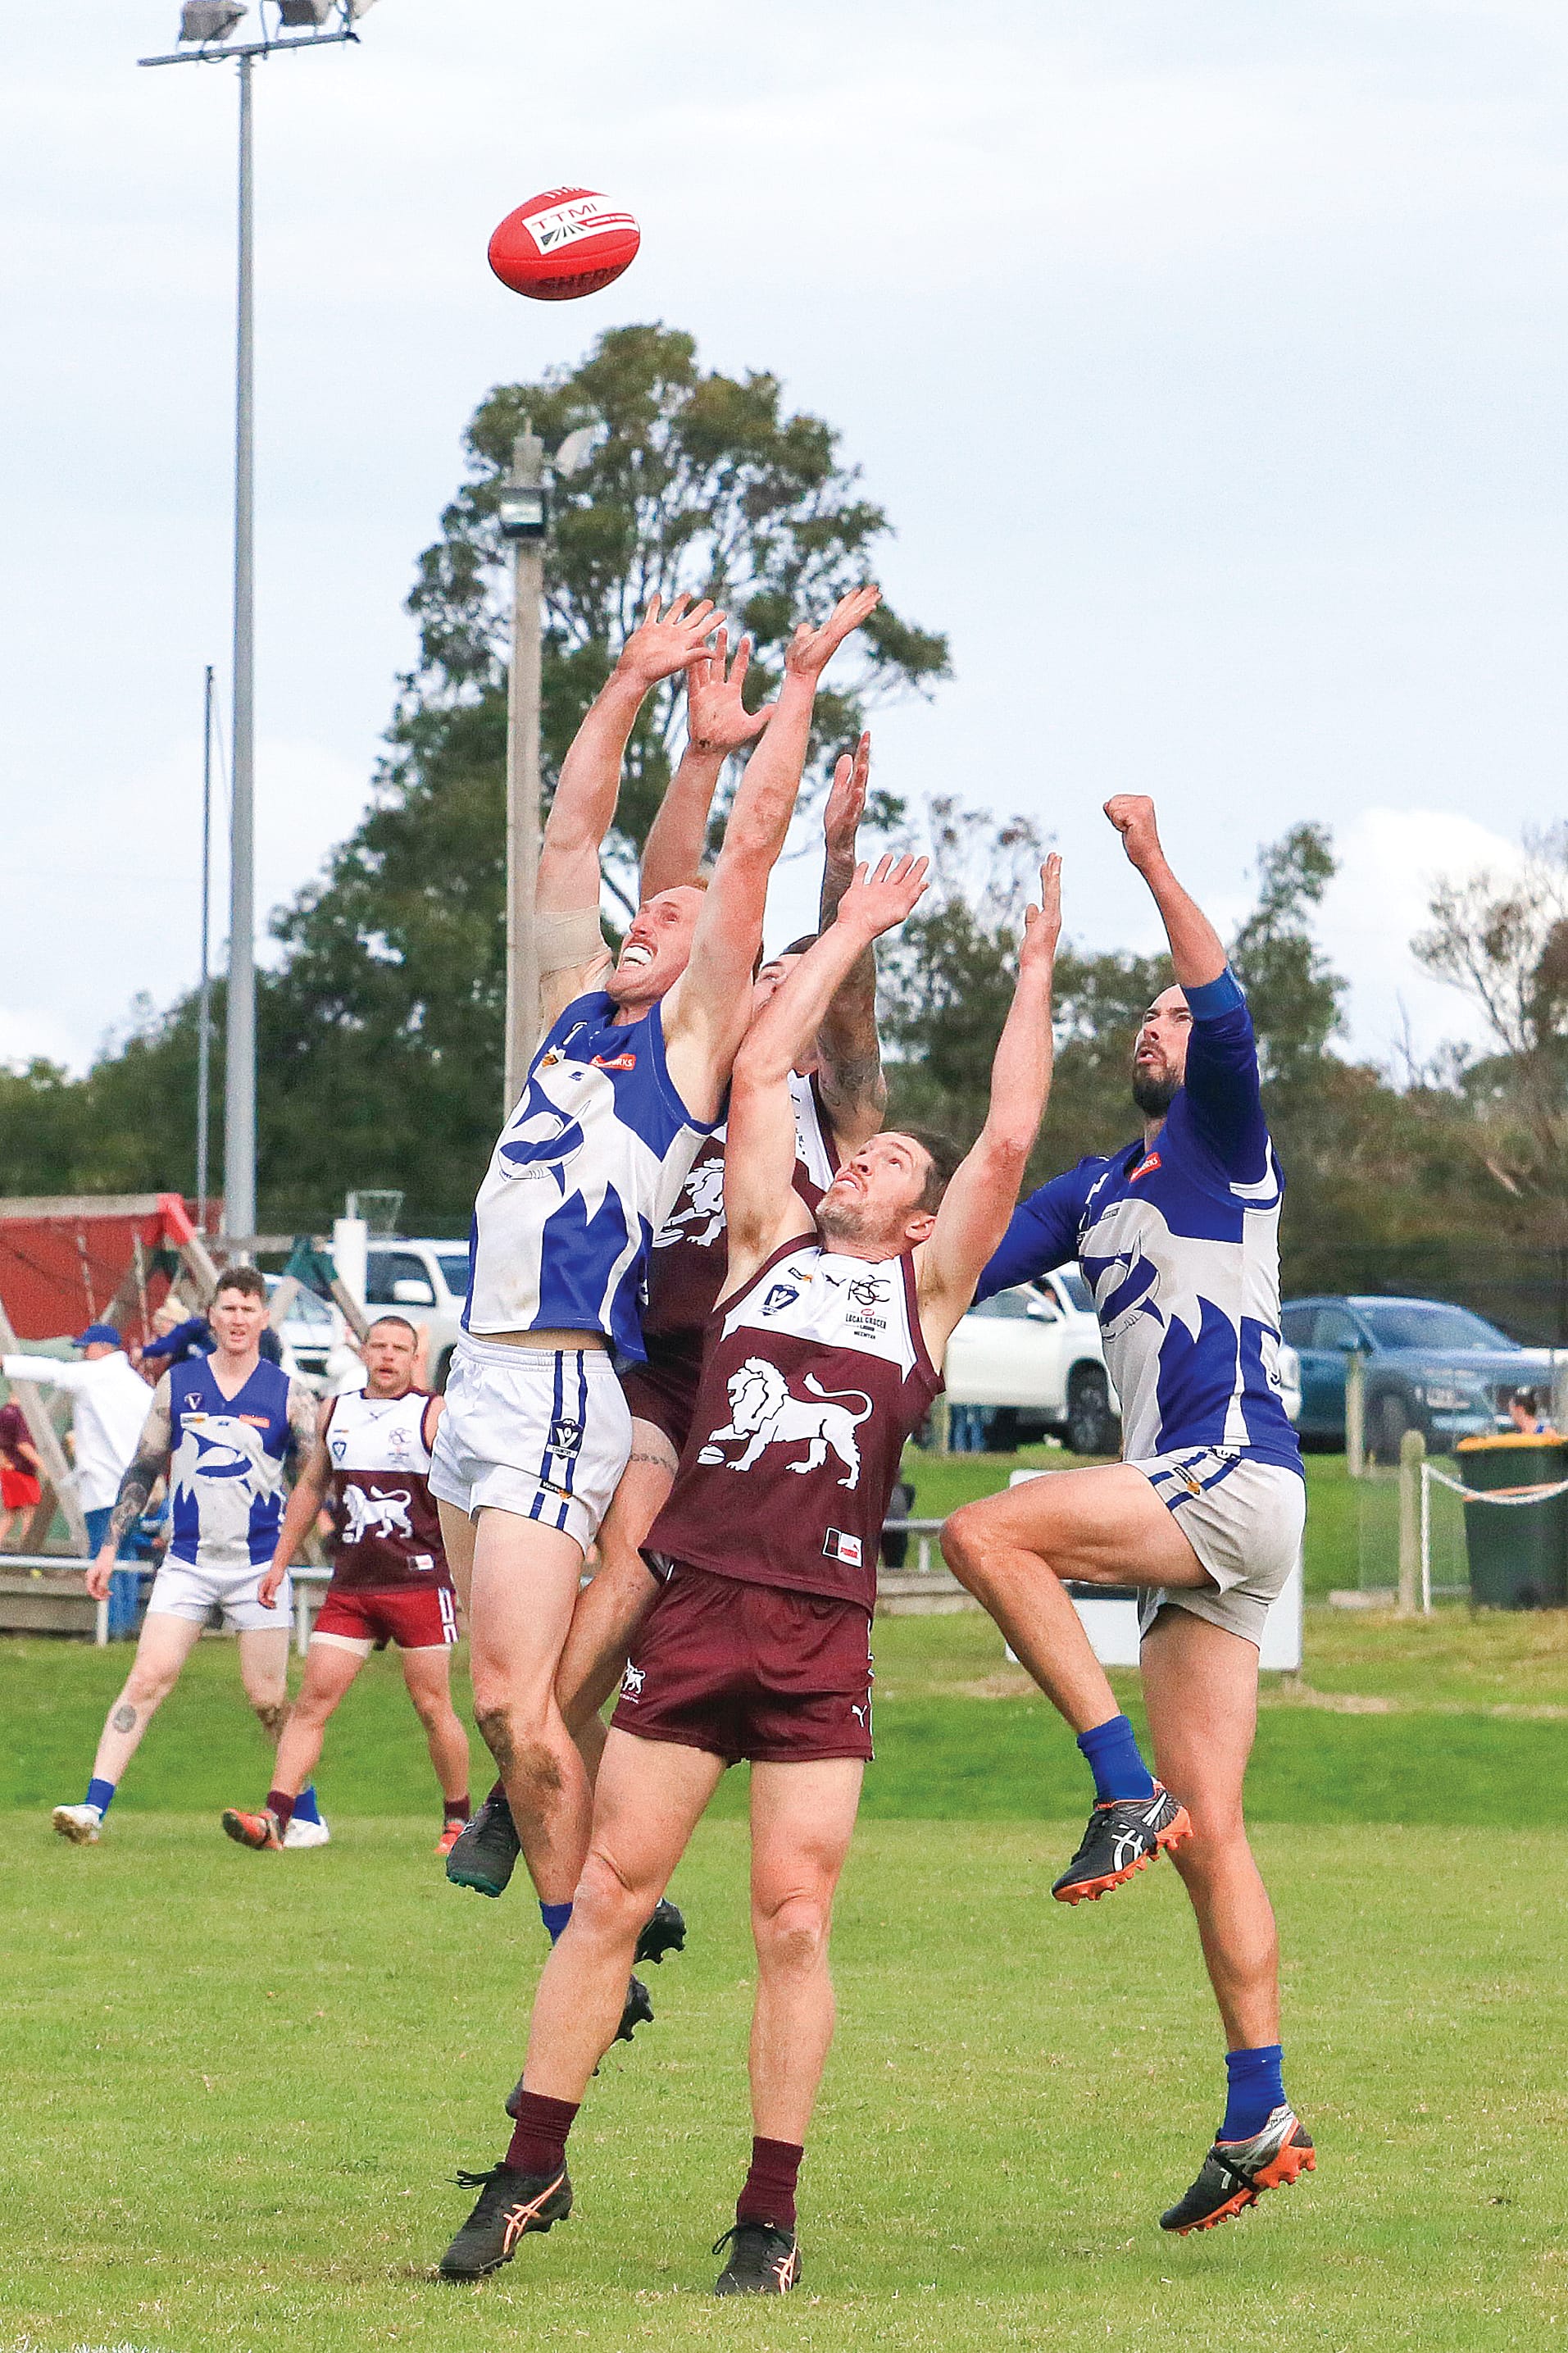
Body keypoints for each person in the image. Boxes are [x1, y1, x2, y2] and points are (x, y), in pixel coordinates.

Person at [435, 849, 1061, 2294]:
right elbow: (768, 1057)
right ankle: (531, 2168)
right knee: (606, 1896)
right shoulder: (764, 1244)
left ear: (920, 1218)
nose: (869, 1158)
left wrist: (1029, 972)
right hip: (703, 1608)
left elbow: (1011, 1140)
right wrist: (848, 925)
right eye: (864, 1149)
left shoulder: (925, 1295)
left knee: (791, 1918)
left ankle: (766, 2219)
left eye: (896, 1162)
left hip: (819, 1632)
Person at [429, 586, 879, 2002]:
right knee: (497, 1703)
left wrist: (792, 699)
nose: (654, 907)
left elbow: (739, 856)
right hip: (471, 1371)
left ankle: (585, 1953)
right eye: (651, 903)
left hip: (574, 1376)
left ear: (724, 977)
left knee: (514, 1695)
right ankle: (585, 1921)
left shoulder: (692, 1056)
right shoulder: (573, 1015)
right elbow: (568, 840)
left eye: (681, 915)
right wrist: (625, 683)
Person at [940, 794, 1314, 2237]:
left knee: (988, 1532)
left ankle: (1113, 1786)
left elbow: (1220, 1006)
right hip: (1211, 1516)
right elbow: (963, 1256)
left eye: (1169, 1010)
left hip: (1228, 1472)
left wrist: (1150, 863)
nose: (1159, 1023)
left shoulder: (1221, 1133)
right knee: (1214, 1833)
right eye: (1143, 1018)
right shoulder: (1098, 1190)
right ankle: (1255, 2108)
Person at [48, 1268, 326, 1847]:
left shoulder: (289, 1393)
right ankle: (92, 1808)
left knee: (268, 1698)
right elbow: (143, 1466)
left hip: (256, 1568)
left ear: (262, 1318)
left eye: (248, 1310)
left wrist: (310, 1548)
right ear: (212, 1316)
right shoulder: (179, 1384)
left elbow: (315, 1478)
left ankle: (308, 1815)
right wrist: (107, 1548)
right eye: (227, 1309)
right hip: (188, 1563)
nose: (237, 1320)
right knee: (147, 1678)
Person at [219, 1313, 470, 1855]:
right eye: (378, 1345)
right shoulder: (336, 1411)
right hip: (353, 1587)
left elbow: (462, 1497)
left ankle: (458, 1822)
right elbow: (312, 1487)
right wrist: (279, 1563)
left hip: (419, 1585)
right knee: (312, 1704)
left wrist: (470, 1576)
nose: (386, 1356)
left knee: (432, 1706)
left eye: (398, 1348)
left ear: (413, 1358)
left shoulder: (434, 1414)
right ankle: (275, 1819)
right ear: (363, 1352)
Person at [1, 1322, 155, 1631]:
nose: (83, 1354)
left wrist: (8, 1363)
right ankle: (123, 1625)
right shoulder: (140, 1387)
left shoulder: (95, 1376)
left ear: (102, 1349)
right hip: (137, 1486)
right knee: (123, 1555)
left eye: (87, 1348)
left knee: (104, 1556)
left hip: (103, 1487)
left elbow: (56, 1372)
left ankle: (109, 1627)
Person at [0, 1396, 43, 1550]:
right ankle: (28, 1554)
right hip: (18, 1471)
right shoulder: (14, 1413)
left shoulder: (8, 1412)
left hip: (14, 1470)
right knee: (30, 1512)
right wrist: (45, 1467)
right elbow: (23, 1445)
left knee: (11, 1514)